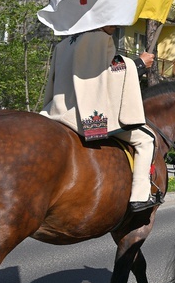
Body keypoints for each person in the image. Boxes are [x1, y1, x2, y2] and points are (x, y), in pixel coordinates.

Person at [40, 26, 159, 212]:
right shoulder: (97, 38)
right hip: (80, 116)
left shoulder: (65, 43)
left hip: (58, 111)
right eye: (113, 22)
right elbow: (109, 74)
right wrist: (140, 64)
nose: (116, 26)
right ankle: (140, 196)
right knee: (146, 139)